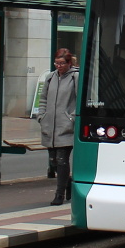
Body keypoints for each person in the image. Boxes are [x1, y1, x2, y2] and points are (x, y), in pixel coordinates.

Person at [40, 48, 78, 205]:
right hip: (50, 127)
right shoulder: (50, 78)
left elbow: (81, 99)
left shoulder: (75, 77)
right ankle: (68, 183)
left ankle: (59, 194)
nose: (59, 66)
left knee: (62, 160)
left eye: (62, 63)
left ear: (69, 63)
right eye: (57, 63)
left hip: (65, 127)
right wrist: (42, 116)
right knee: (53, 162)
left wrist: (72, 117)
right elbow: (43, 99)